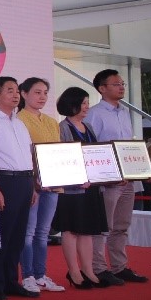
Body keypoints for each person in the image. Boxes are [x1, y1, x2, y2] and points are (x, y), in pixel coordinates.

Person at [85, 70, 149, 284]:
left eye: (122, 83)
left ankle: (119, 267)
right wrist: (107, 175)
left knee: (122, 225)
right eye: (116, 84)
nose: (121, 87)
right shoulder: (94, 114)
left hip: (128, 178)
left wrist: (141, 170)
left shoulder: (124, 112)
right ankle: (99, 268)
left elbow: (128, 147)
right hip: (108, 180)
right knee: (104, 226)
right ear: (102, 88)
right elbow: (92, 148)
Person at [0, 76, 38, 300]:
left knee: (17, 236)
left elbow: (27, 156)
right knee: (0, 235)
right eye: (9, 90)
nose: (16, 95)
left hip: (24, 181)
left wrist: (33, 186)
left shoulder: (19, 123)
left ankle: (11, 281)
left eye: (17, 90)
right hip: (5, 181)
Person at [54, 87, 108, 289]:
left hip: (91, 186)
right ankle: (74, 272)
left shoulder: (88, 127)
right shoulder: (63, 127)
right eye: (83, 103)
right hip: (72, 189)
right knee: (71, 229)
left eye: (87, 103)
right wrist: (76, 178)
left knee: (87, 230)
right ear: (72, 104)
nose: (86, 107)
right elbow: (61, 158)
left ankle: (88, 270)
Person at [16, 77, 65, 291]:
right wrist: (33, 181)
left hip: (53, 184)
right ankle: (27, 275)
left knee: (43, 232)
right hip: (32, 185)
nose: (42, 97)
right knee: (28, 232)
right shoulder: (19, 120)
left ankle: (40, 274)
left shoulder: (52, 122)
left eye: (45, 92)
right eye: (37, 92)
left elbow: (59, 154)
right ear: (24, 94)